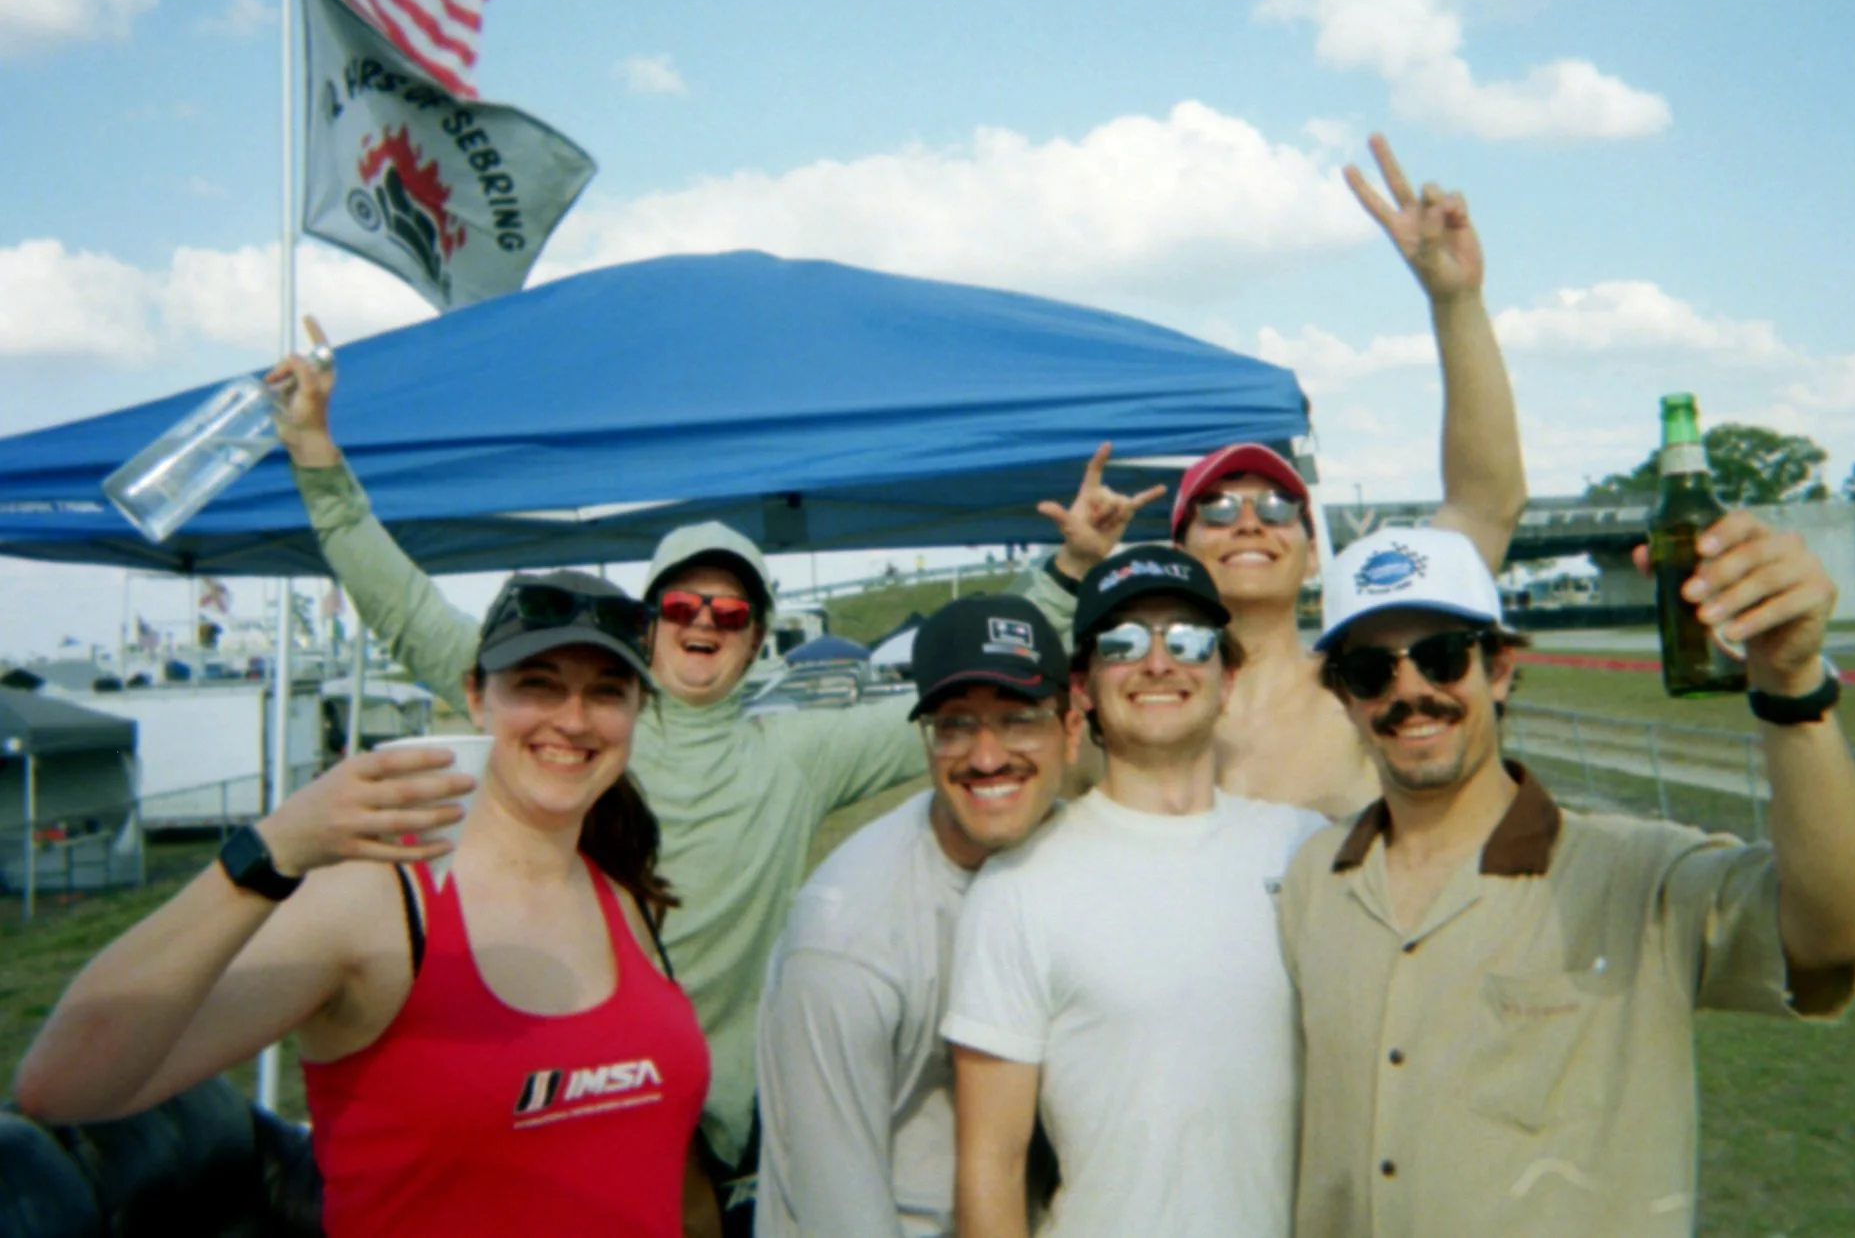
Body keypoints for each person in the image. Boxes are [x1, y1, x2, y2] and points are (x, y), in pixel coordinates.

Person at [268, 322, 937, 1232]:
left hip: (725, 1133)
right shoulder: (570, 722)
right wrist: (318, 463)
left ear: (755, 635)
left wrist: (1069, 582)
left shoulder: (795, 754)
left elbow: (947, 712)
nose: (706, 622)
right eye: (683, 604)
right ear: (648, 622)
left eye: (731, 610)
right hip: (566, 1101)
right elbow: (406, 608)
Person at [12, 570, 711, 1237]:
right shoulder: (377, 902)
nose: (574, 719)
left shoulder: (620, 894)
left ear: (636, 711)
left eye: (607, 692)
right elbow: (65, 1088)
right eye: (538, 684)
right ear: (475, 696)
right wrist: (270, 851)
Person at [1280, 521, 1855, 1236]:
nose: (1411, 691)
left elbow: (1842, 932)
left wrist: (1793, 687)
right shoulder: (1311, 878)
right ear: (1344, 697)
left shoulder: (1639, 875)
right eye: (1370, 671)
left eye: (1444, 657)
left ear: (1499, 668)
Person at [1015, 133, 1529, 820]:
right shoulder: (1131, 710)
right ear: (1181, 554)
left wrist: (1455, 303)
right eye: (1218, 510)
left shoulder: (1367, 688)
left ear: (1314, 553)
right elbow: (1008, 698)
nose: (1249, 521)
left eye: (1279, 507)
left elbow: (1485, 504)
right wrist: (1077, 563)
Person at [947, 547, 1328, 1238]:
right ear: (1084, 688)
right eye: (1124, 643)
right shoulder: (1018, 889)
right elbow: (991, 1167)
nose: (1159, 662)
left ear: (1228, 675)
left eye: (1187, 639)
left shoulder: (1306, 850)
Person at [754, 594, 1078, 1238]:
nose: (987, 757)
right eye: (955, 725)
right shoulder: (848, 936)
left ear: (1070, 730)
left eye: (1018, 719)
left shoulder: (1079, 857)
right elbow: (838, 1206)